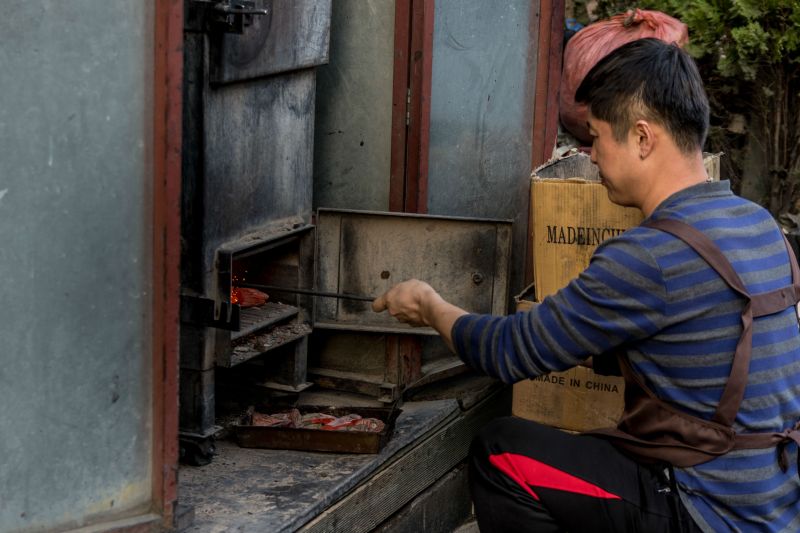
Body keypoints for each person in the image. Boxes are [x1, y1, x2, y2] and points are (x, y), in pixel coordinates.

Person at [372, 38, 800, 532]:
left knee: (502, 452)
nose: (590, 156)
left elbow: (508, 352)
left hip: (711, 512)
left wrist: (430, 305)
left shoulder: (648, 256)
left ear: (642, 138)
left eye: (596, 138)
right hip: (774, 501)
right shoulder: (759, 223)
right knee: (596, 445)